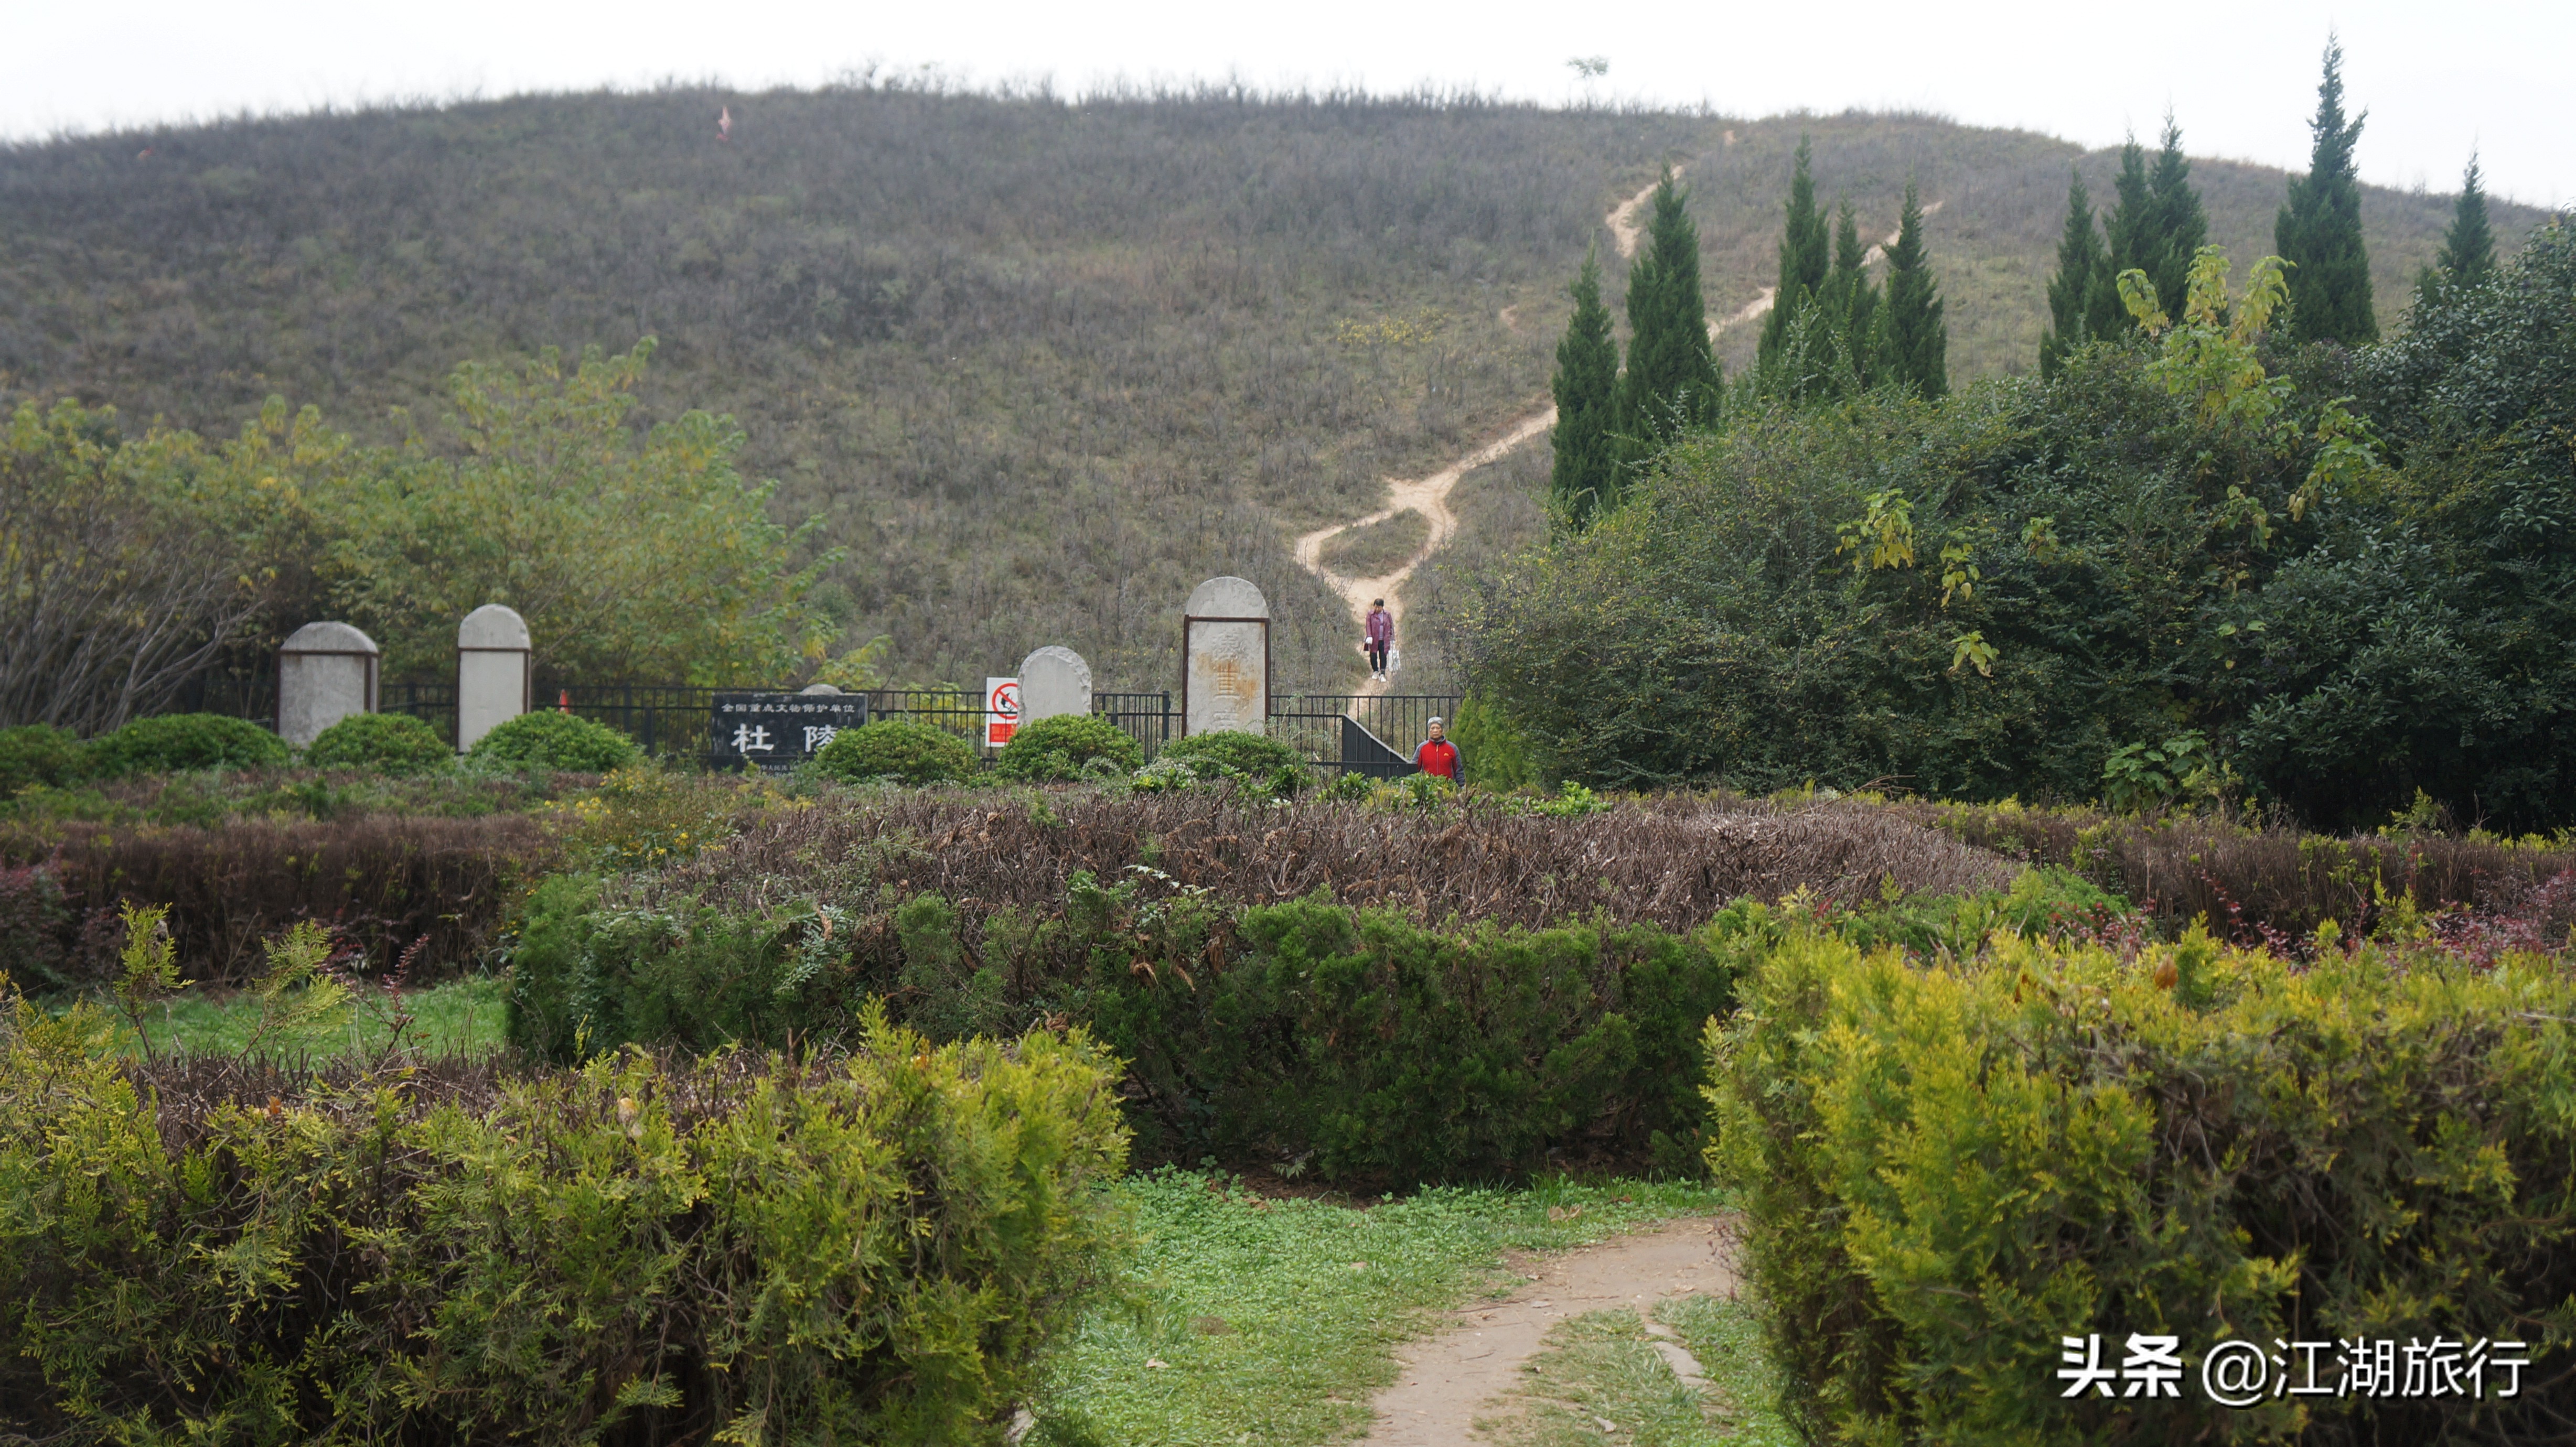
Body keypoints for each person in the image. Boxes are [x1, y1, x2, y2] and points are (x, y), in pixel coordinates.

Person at [1415, 716, 1461, 781]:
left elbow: (1459, 770)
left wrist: (1462, 787)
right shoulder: (1422, 748)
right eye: (1433, 728)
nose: (1435, 731)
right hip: (1428, 788)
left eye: (1438, 728)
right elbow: (1414, 769)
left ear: (1442, 730)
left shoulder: (1452, 748)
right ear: (1429, 731)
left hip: (1448, 788)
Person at [1364, 599, 1393, 680]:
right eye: (1376, 607)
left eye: (1379, 607)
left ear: (1382, 607)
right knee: (1373, 655)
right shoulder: (1370, 615)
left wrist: (1392, 638)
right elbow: (1368, 626)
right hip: (1374, 639)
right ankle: (1375, 671)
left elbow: (1391, 626)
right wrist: (1369, 636)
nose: (1377, 609)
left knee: (1383, 656)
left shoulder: (1387, 615)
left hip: (1384, 639)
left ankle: (1382, 673)